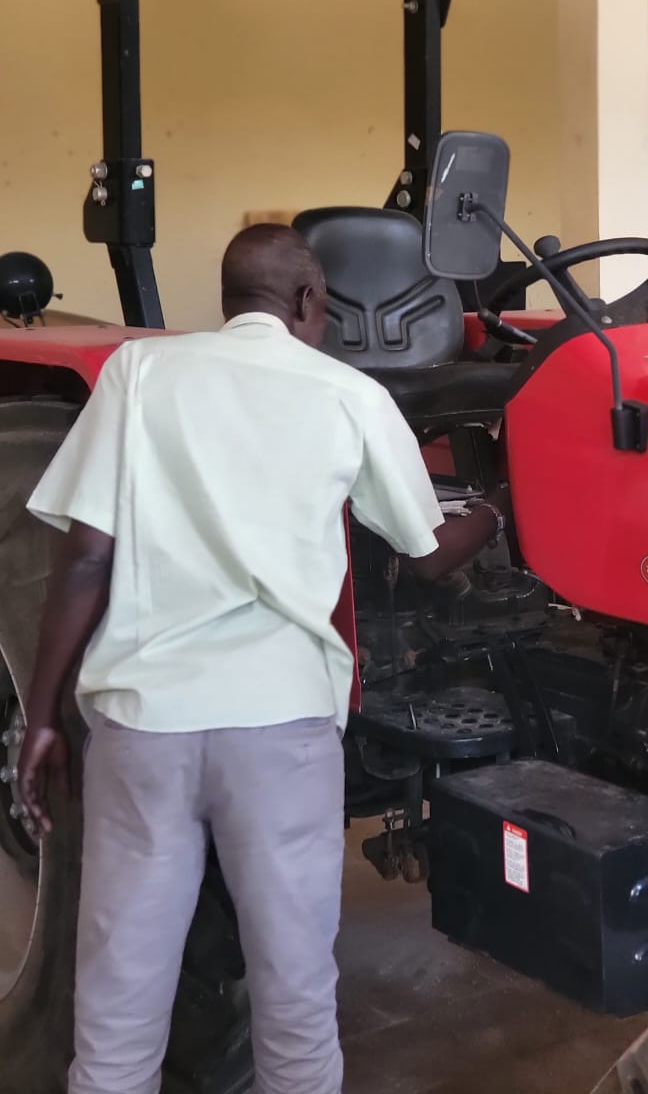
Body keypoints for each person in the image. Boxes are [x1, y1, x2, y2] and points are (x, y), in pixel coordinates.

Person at [17, 223, 507, 1094]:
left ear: (228, 298)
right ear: (309, 301)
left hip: (144, 730)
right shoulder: (347, 394)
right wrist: (497, 510)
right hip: (280, 735)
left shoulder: (139, 373)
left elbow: (86, 559)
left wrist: (44, 716)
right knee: (296, 1003)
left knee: (117, 1012)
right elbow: (429, 556)